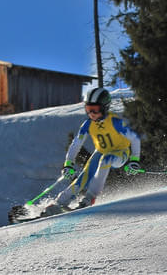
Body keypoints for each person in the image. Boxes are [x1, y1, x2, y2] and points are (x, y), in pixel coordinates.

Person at [42, 87, 141, 216]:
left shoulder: (115, 122)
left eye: (95, 110)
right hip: (100, 152)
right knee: (83, 177)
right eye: (88, 110)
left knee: (106, 159)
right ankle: (60, 202)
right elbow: (76, 143)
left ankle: (90, 197)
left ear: (104, 108)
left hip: (120, 153)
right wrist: (68, 163)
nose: (91, 114)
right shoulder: (88, 124)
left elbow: (135, 139)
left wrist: (134, 161)